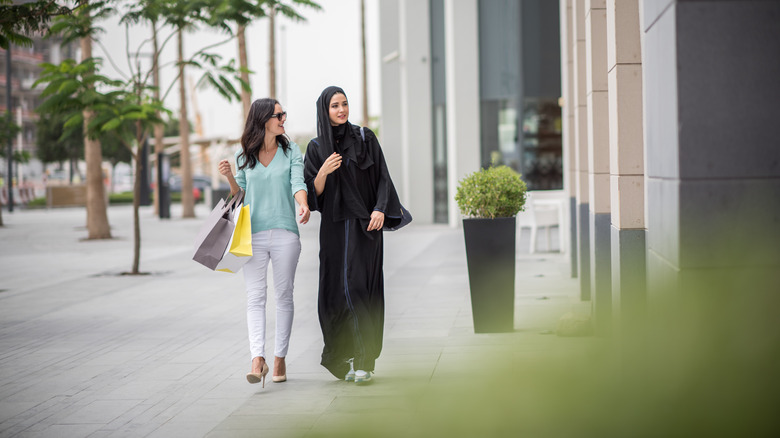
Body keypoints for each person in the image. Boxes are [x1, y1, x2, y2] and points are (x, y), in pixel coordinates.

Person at [304, 86, 405, 384]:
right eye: (335, 105)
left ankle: (365, 360)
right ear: (325, 110)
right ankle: (344, 358)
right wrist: (323, 172)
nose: (341, 110)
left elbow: (383, 177)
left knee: (362, 289)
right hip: (334, 231)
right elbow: (313, 197)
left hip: (366, 228)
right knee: (335, 292)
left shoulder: (365, 138)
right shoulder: (315, 148)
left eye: (344, 104)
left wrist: (380, 209)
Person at [218, 98, 310, 387]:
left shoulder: (291, 149)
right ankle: (258, 359)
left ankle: (280, 357)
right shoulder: (244, 154)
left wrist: (303, 204)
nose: (284, 118)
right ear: (263, 120)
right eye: (278, 115)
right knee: (255, 297)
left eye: (284, 114)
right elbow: (240, 194)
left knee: (284, 296)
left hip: (285, 233)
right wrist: (230, 177)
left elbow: (298, 182)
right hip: (253, 235)